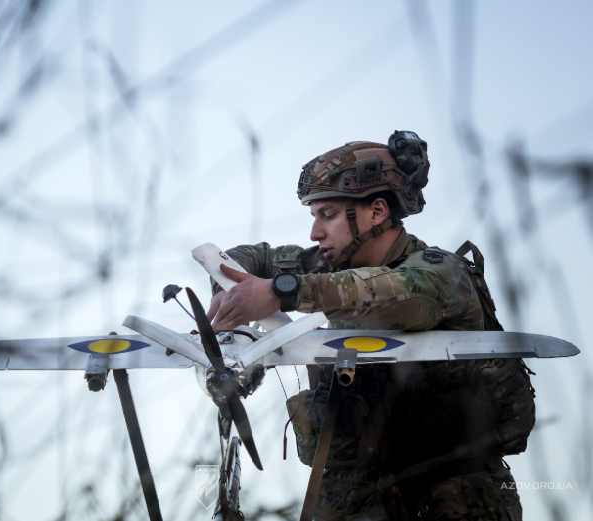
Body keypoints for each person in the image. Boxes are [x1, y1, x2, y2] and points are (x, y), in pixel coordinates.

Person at [205, 132, 535, 521]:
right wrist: (230, 301)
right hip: (352, 491)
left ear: (377, 212)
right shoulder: (328, 265)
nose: (314, 233)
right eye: (313, 217)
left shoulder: (440, 272)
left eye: (327, 215)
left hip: (452, 490)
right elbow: (252, 259)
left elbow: (402, 297)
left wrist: (282, 291)